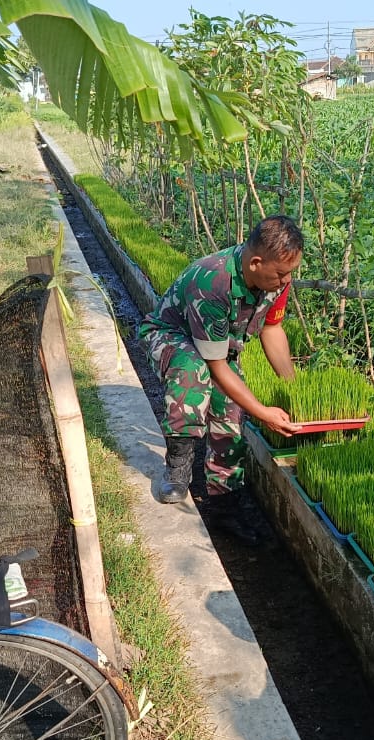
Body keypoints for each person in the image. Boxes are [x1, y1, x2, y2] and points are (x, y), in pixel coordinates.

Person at [139, 216, 303, 543]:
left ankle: (225, 503)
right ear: (256, 263)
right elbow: (214, 365)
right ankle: (178, 467)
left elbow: (272, 329)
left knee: (230, 409)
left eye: (290, 274)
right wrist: (263, 411)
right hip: (171, 337)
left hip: (215, 345)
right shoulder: (213, 282)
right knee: (193, 373)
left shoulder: (275, 280)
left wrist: (294, 389)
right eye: (282, 274)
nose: (286, 281)